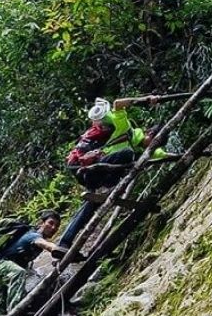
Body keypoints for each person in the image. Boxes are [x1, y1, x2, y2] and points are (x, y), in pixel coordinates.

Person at [60, 97, 174, 252]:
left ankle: (64, 243)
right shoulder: (126, 128)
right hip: (89, 170)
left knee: (90, 205)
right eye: (153, 140)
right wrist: (147, 99)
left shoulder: (147, 152)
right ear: (148, 133)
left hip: (100, 179)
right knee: (127, 153)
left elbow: (165, 155)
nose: (153, 145)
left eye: (157, 144)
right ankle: (109, 186)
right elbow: (117, 104)